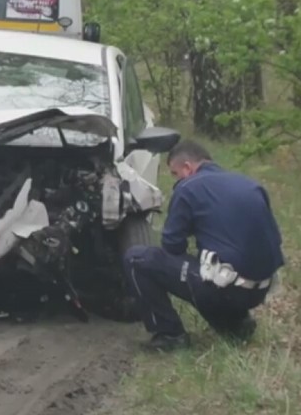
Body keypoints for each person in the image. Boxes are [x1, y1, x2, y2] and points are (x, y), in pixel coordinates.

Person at [122, 140, 285, 352]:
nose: (176, 179)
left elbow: (172, 246)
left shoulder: (188, 188)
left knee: (137, 258)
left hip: (227, 290)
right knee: (211, 264)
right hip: (260, 289)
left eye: (175, 173)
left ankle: (170, 334)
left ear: (188, 167)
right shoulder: (250, 184)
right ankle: (237, 324)